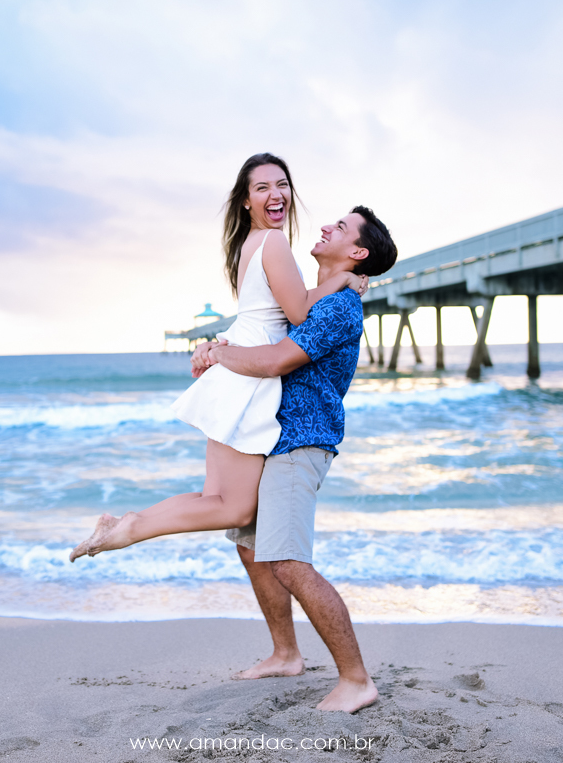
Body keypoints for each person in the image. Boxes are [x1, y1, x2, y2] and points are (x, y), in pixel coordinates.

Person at [69, 153, 366, 562]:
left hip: (238, 369)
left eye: (282, 184)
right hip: (249, 375)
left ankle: (125, 522)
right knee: (235, 508)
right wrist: (341, 279)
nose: (276, 194)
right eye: (262, 187)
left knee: (214, 498)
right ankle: (130, 529)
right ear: (246, 200)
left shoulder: (250, 243)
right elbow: (299, 312)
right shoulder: (273, 241)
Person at [191, 205, 398, 713]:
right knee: (250, 547)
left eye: (341, 227)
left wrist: (216, 355)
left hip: (301, 441)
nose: (326, 226)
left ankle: (356, 680)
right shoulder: (315, 298)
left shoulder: (338, 309)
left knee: (287, 560)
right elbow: (260, 332)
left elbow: (276, 360)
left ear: (358, 252)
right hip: (270, 436)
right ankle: (285, 654)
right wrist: (219, 344)